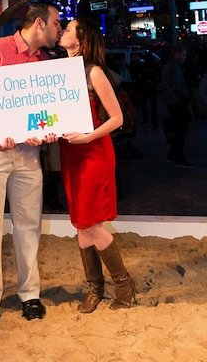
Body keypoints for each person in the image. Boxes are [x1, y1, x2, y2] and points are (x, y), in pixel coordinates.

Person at [0, 2, 62, 327]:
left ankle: (30, 294)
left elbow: (43, 115)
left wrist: (42, 132)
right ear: (38, 24)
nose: (59, 29)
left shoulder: (44, 62)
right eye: (56, 23)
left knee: (29, 224)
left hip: (26, 154)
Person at [59, 18, 136, 313]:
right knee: (81, 225)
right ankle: (95, 288)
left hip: (93, 153)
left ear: (81, 40)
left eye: (68, 29)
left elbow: (117, 118)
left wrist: (88, 137)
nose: (63, 31)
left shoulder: (94, 72)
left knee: (92, 224)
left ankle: (124, 285)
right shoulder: (61, 71)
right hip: (71, 153)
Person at [161, 45, 193, 167]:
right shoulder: (174, 68)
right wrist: (186, 97)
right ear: (178, 54)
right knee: (181, 131)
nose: (185, 57)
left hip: (173, 102)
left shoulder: (170, 66)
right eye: (184, 54)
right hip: (177, 103)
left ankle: (173, 156)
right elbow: (177, 87)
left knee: (178, 131)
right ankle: (178, 158)